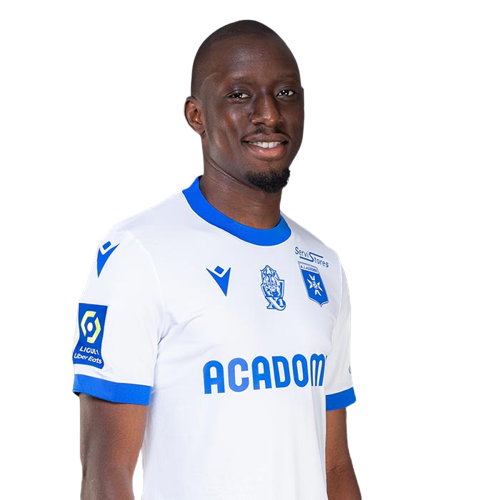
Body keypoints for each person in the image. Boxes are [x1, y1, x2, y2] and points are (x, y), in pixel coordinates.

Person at [72, 18, 361, 500]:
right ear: (195, 116)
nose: (268, 113)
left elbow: (333, 465)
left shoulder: (323, 263)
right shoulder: (138, 252)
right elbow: (107, 475)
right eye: (239, 94)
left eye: (285, 93)